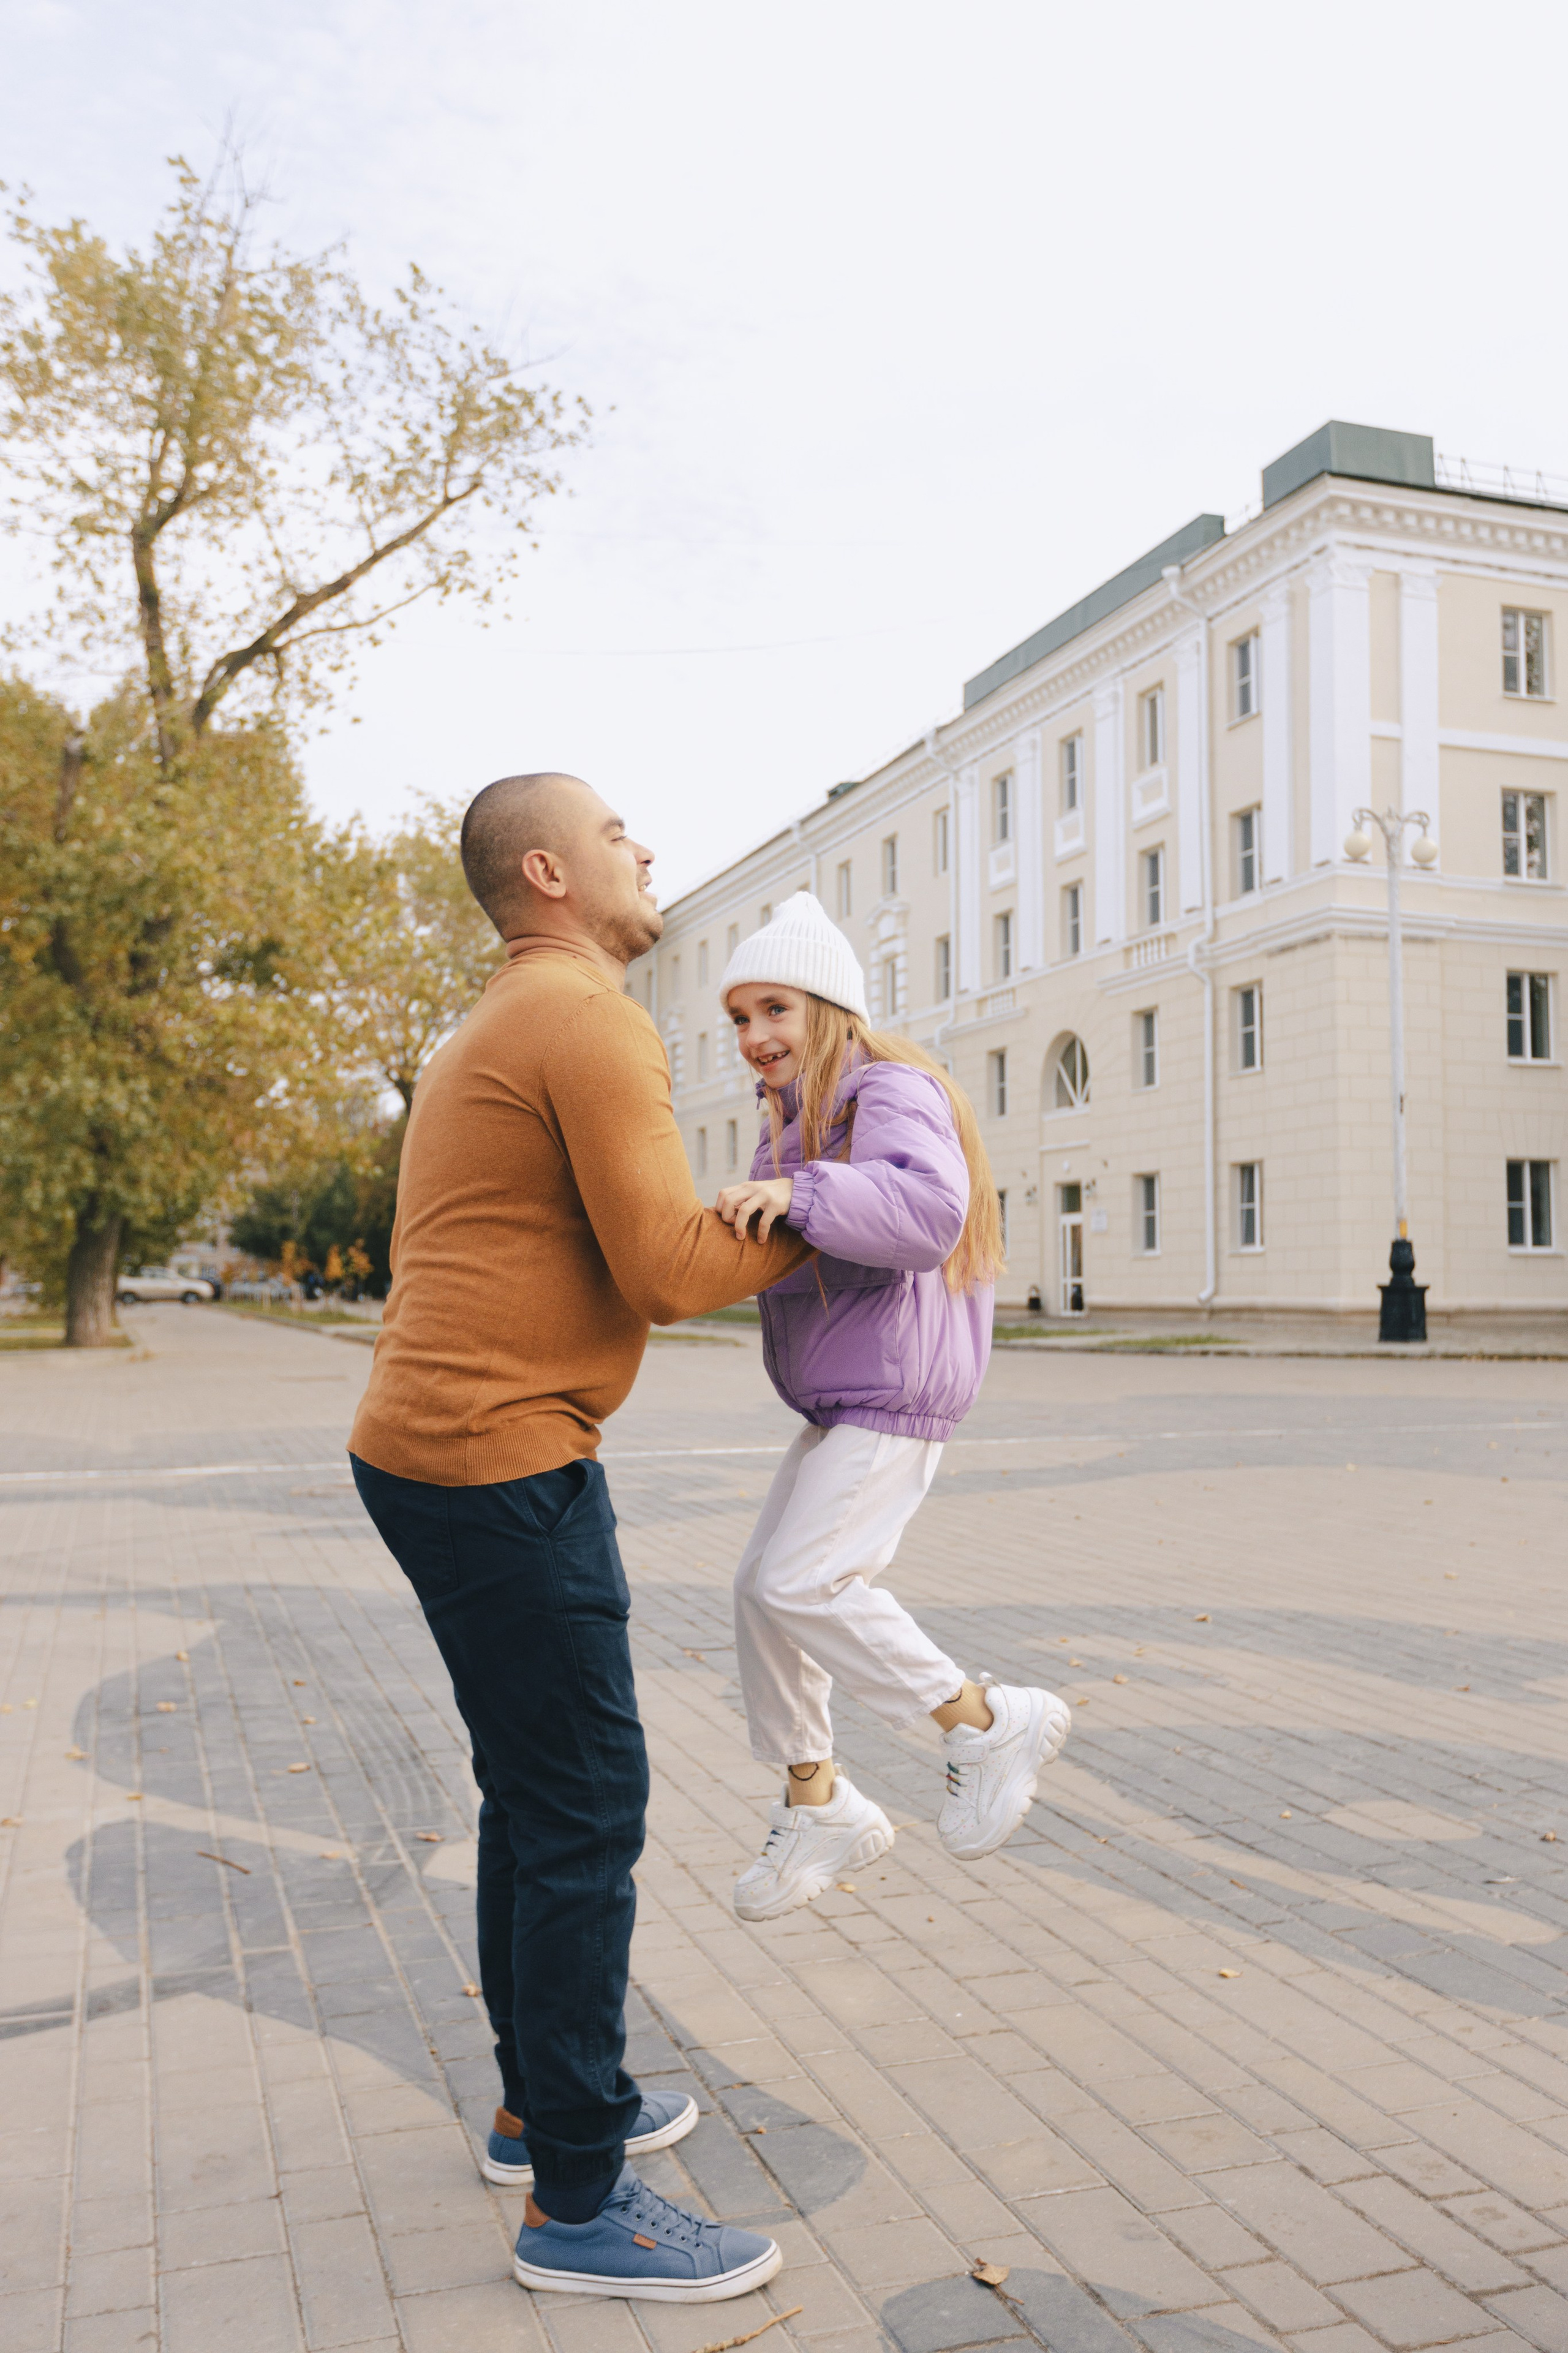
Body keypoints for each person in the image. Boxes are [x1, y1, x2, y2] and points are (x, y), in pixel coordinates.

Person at [349, 774, 809, 2304]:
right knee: (582, 1806)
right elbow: (674, 1266)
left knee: (533, 1795)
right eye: (618, 833)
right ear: (548, 869)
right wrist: (858, 1205)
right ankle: (581, 2202)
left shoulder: (508, 1016)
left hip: (443, 1449)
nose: (647, 848)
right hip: (496, 1458)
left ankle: (546, 2106)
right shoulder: (585, 1014)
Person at [712, 893, 1070, 1921]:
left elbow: (925, 1209)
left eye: (773, 1008)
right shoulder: (794, 1127)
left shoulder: (889, 1087)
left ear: (828, 1008)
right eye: (740, 1018)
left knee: (806, 1580)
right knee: (759, 1589)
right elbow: (783, 1253)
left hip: (893, 1394)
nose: (753, 1038)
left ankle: (986, 1718)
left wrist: (804, 1193)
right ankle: (815, 1798)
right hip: (842, 1398)